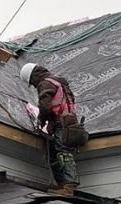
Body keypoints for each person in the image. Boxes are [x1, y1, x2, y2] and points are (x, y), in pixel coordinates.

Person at [20, 62, 88, 196]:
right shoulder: (59, 81)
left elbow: (45, 106)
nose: (34, 86)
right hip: (71, 123)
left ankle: (68, 186)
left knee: (63, 152)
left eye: (32, 83)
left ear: (33, 77)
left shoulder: (45, 83)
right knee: (56, 153)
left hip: (61, 124)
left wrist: (41, 119)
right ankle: (62, 185)